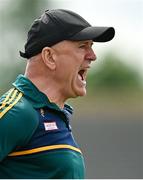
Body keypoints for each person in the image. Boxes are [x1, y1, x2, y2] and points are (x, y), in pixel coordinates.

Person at [0, 9, 115, 179]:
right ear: (49, 57)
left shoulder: (51, 114)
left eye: (92, 46)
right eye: (82, 46)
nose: (93, 56)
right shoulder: (18, 112)